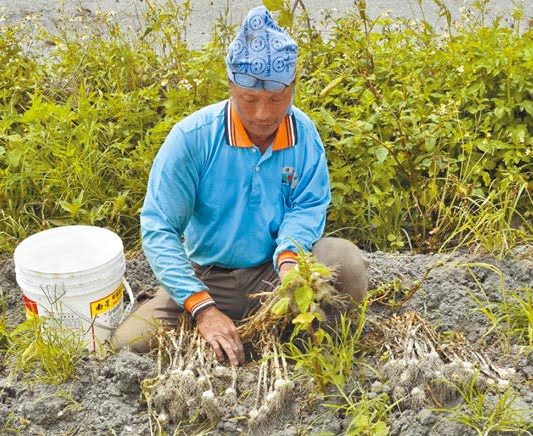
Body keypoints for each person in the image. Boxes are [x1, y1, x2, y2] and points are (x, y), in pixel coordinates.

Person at [111, 6, 368, 366]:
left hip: (271, 274)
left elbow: (308, 206)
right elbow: (159, 227)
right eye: (249, 100)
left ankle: (317, 349)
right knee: (127, 344)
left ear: (293, 88)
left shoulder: (303, 134)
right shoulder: (193, 138)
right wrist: (202, 309)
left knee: (345, 261)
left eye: (277, 99)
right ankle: (210, 318)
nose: (263, 115)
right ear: (232, 87)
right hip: (207, 277)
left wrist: (291, 263)